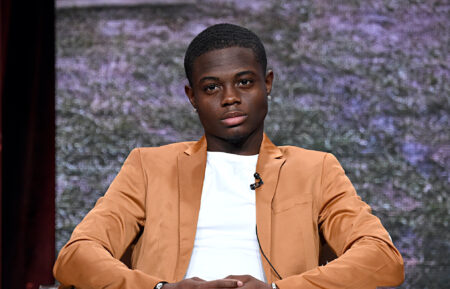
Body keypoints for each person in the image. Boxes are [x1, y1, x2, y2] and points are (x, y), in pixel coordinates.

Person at [54, 23, 404, 289]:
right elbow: (77, 255)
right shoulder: (149, 166)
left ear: (267, 83)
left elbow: (381, 258)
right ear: (192, 96)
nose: (230, 98)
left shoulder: (316, 169)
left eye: (244, 82)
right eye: (211, 88)